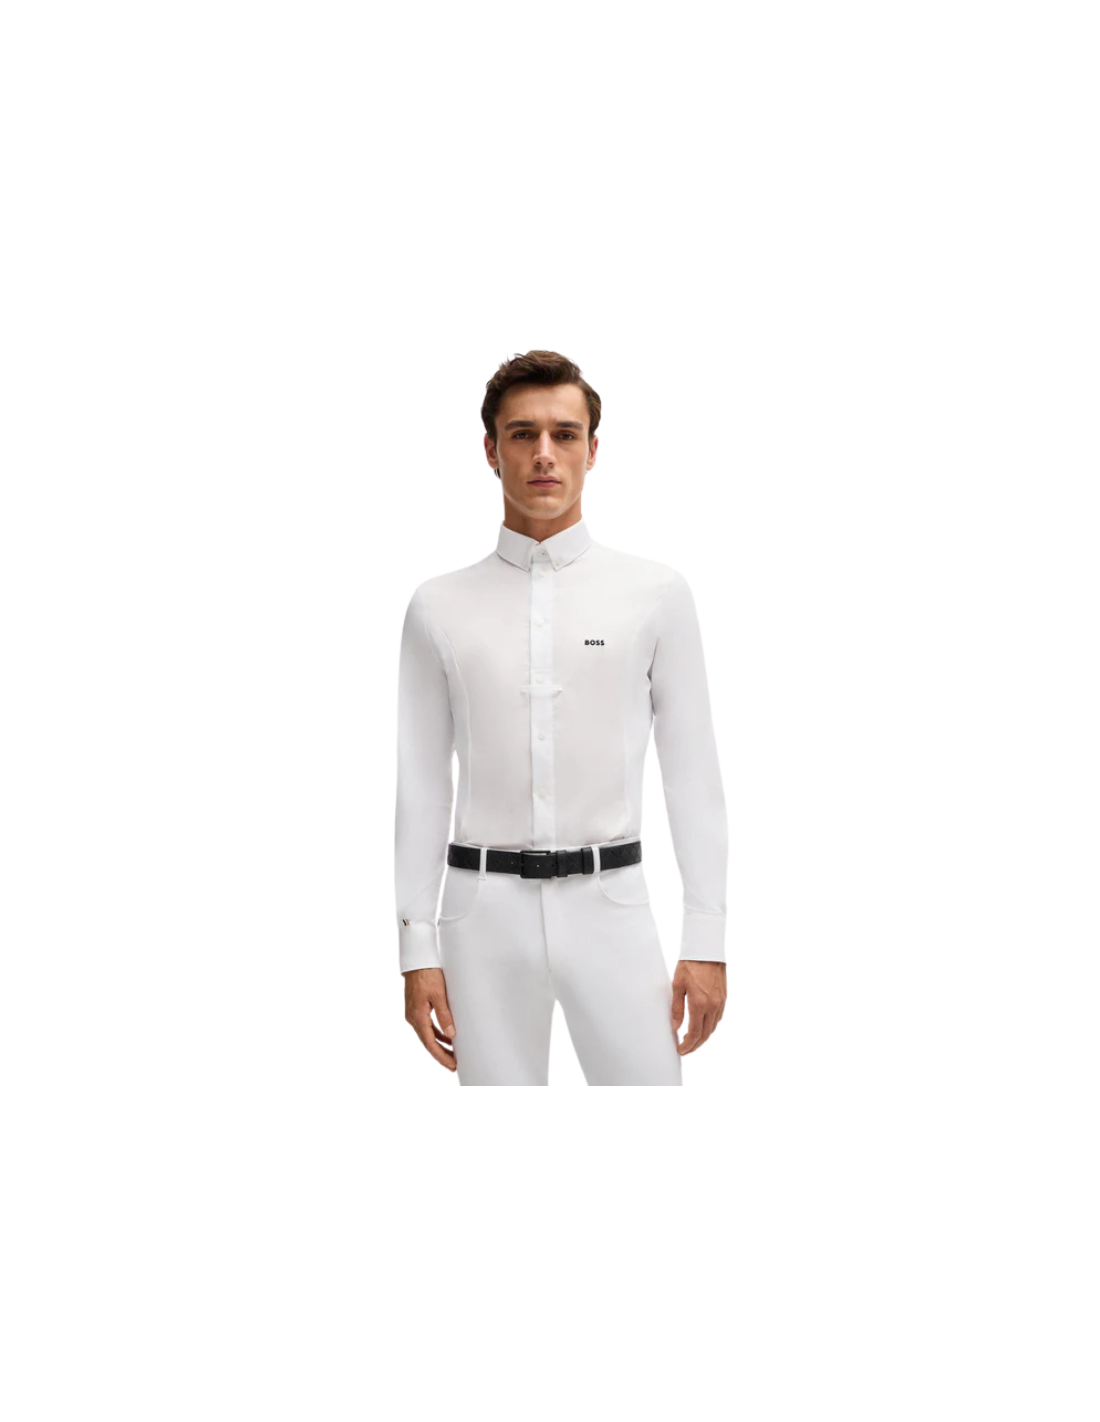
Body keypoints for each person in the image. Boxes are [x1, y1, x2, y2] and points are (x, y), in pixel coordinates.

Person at [394, 350, 728, 1085]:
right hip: (481, 918)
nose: (544, 453)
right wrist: (416, 950)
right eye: (522, 434)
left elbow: (693, 776)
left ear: (592, 449)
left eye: (565, 434)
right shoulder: (438, 607)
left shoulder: (655, 594)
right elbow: (421, 786)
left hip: (611, 907)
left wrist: (707, 940)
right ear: (491, 450)